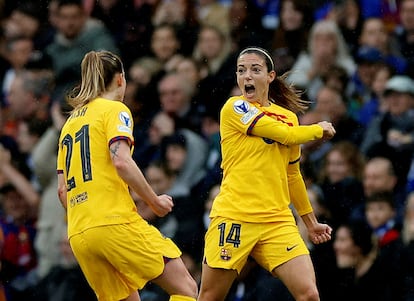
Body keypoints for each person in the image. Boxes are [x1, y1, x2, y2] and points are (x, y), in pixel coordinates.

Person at [56, 50, 198, 301]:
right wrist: (154, 201)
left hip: (79, 233)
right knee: (186, 289)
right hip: (113, 220)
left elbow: (62, 191)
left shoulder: (69, 126)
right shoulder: (115, 110)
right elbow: (121, 160)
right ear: (120, 79)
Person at [197, 46, 336, 301]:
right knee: (210, 297)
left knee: (309, 294)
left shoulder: (288, 117)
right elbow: (285, 135)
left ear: (270, 76)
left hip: (277, 221)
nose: (247, 76)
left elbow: (292, 175)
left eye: (255, 70)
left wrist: (311, 222)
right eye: (241, 71)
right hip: (235, 216)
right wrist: (319, 129)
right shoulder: (234, 108)